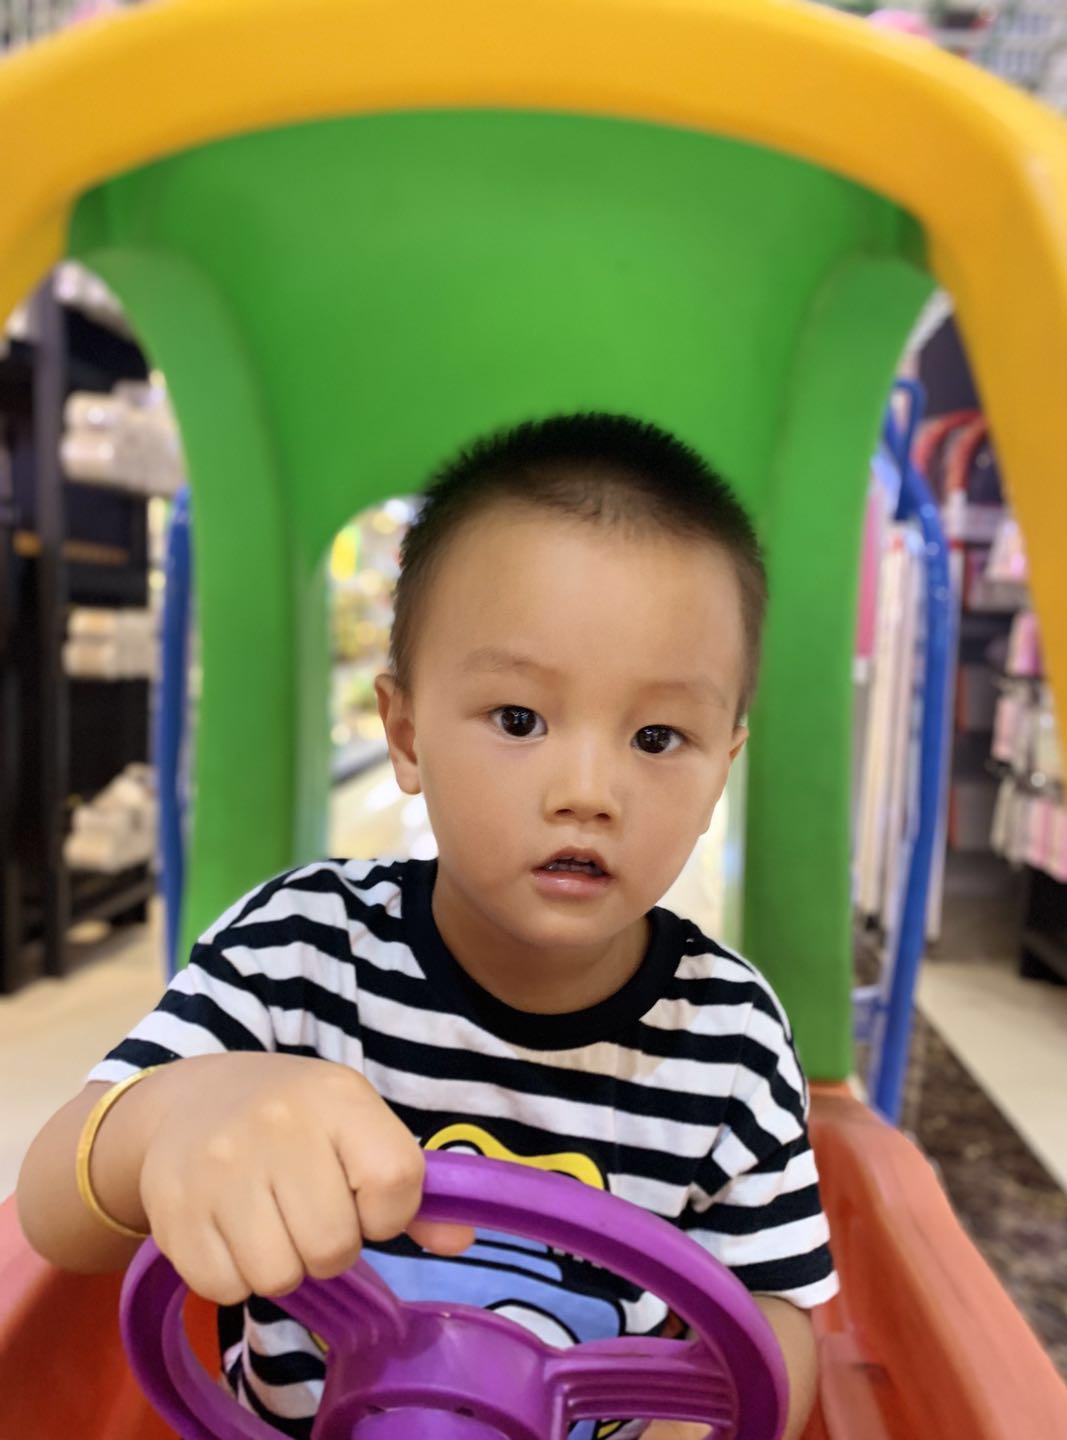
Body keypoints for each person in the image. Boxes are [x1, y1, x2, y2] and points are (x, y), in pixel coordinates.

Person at [18, 412, 837, 1440]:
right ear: (405, 734)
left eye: (659, 736)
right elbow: (52, 1211)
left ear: (722, 768)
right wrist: (170, 1117)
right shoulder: (298, 953)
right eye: (519, 720)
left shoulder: (731, 1040)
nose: (588, 793)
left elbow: (775, 1310)